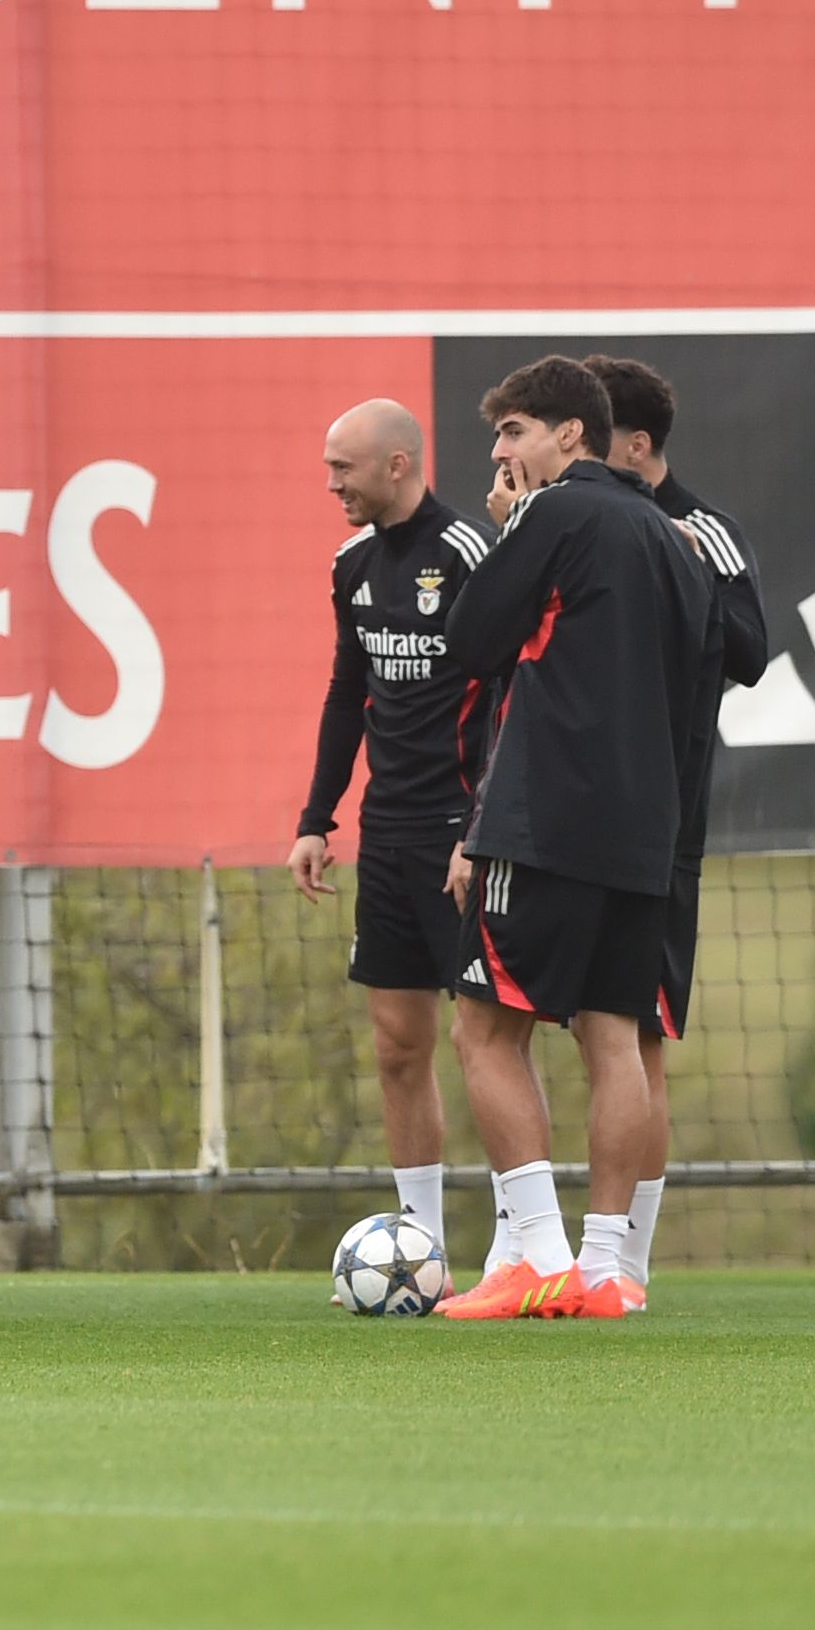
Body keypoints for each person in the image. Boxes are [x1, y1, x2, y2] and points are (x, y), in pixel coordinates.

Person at [432, 357, 717, 1322]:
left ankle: (535, 1257)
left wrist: (510, 527)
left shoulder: (555, 514)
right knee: (615, 1042)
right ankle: (604, 1271)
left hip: (547, 821)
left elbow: (469, 640)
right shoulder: (676, 541)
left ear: (569, 435)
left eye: (513, 433)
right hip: (647, 836)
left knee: (483, 1029)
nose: (503, 455)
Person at [577, 355, 773, 1307]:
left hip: (662, 823)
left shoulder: (698, 529)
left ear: (637, 445)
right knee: (581, 1029)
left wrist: (671, 573)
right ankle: (540, 1247)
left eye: (590, 430)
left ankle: (623, 1260)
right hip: (572, 821)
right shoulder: (568, 524)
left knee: (637, 1034)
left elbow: (752, 651)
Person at [292, 398, 493, 1275]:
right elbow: (348, 696)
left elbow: (509, 700)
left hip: (464, 835)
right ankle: (422, 1250)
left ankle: (526, 1239)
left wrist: (483, 828)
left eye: (344, 467)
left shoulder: (470, 556)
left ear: (399, 465)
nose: (331, 482)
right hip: (387, 833)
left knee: (484, 1041)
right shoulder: (351, 565)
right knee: (397, 1044)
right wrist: (315, 818)